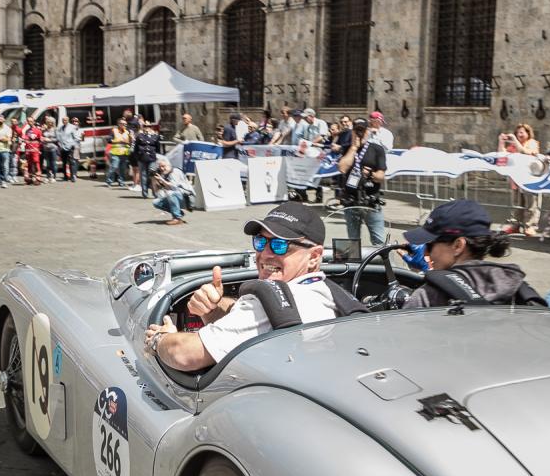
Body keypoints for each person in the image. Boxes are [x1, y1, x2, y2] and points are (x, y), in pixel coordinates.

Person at [142, 202, 365, 370]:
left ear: (314, 256)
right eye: (261, 241)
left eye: (280, 245)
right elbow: (254, 327)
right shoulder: (329, 293)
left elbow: (183, 354)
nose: (265, 254)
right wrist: (214, 307)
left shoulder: (267, 301)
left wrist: (159, 339)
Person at [401, 200, 543, 308]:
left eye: (430, 245)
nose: (426, 252)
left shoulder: (427, 296)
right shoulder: (517, 288)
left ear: (458, 246)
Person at [335, 117, 387, 246]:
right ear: (352, 132)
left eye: (362, 130)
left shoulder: (377, 149)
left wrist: (370, 174)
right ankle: (352, 265)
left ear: (368, 131)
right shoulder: (347, 148)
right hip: (351, 201)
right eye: (357, 130)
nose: (360, 133)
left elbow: (381, 176)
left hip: (370, 200)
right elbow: (342, 168)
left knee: (379, 240)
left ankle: (383, 265)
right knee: (352, 241)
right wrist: (353, 147)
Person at [498, 123, 541, 236]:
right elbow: (502, 155)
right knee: (517, 204)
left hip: (529, 178)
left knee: (530, 204)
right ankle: (516, 225)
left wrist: (514, 140)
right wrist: (501, 142)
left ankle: (530, 226)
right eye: (518, 132)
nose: (519, 134)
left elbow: (524, 152)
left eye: (522, 132)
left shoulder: (532, 143)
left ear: (528, 133)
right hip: (516, 179)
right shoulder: (513, 146)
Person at [149, 156, 192, 225]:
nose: (162, 169)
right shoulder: (165, 175)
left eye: (163, 166)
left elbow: (174, 186)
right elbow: (157, 193)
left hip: (188, 198)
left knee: (170, 193)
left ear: (169, 165)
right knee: (156, 202)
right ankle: (179, 213)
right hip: (178, 197)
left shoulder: (175, 171)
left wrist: (162, 180)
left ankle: (177, 218)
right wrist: (153, 179)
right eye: (160, 167)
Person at [134, 121, 161, 197]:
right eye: (145, 126)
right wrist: (137, 157)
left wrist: (158, 156)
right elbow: (136, 148)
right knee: (143, 176)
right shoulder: (139, 136)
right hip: (142, 158)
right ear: (143, 127)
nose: (147, 127)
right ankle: (145, 193)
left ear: (151, 127)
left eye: (148, 126)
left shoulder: (155, 136)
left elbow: (158, 147)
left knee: (152, 175)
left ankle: (155, 192)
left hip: (152, 158)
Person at [107, 118, 133, 186]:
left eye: (125, 124)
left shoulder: (127, 132)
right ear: (119, 124)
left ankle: (121, 181)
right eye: (123, 124)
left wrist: (130, 141)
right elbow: (109, 140)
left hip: (124, 153)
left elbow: (130, 142)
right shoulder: (114, 131)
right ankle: (109, 181)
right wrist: (118, 141)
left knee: (123, 169)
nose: (124, 125)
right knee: (114, 167)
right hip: (115, 153)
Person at [56, 116, 82, 181]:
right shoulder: (60, 128)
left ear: (68, 120)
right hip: (63, 147)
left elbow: (75, 137)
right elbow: (58, 137)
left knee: (71, 162)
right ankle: (65, 176)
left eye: (65, 120)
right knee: (64, 162)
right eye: (63, 120)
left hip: (70, 147)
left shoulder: (72, 127)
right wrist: (60, 145)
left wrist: (74, 144)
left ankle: (73, 176)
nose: (64, 121)